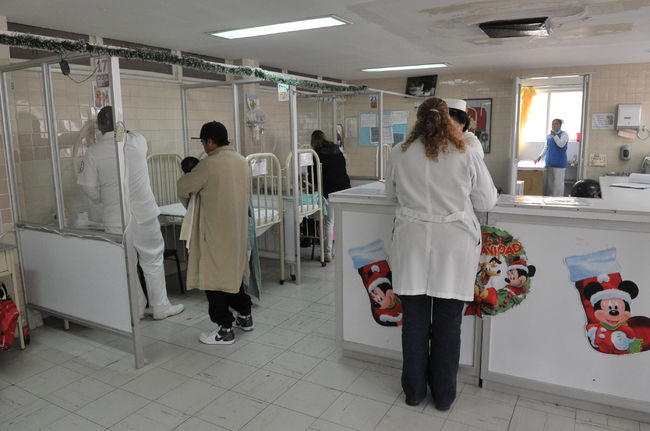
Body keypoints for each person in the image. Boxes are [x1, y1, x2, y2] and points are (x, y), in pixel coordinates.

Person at [385, 97, 497, 410]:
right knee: (448, 325)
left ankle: (414, 392)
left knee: (414, 322)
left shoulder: (400, 151)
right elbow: (486, 201)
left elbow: (390, 194)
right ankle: (444, 396)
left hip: (411, 243)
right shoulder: (465, 151)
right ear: (448, 119)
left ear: (418, 120)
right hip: (454, 246)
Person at [77, 106, 184, 320]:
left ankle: (136, 308)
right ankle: (160, 306)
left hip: (115, 217)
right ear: (121, 124)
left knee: (126, 264)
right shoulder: (138, 142)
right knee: (152, 260)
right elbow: (125, 135)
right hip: (144, 214)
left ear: (99, 126)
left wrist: (103, 199)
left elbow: (87, 186)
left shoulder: (93, 152)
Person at [177, 121, 252, 345]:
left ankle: (224, 329)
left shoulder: (208, 165)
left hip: (215, 230)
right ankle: (245, 316)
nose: (203, 146)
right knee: (233, 276)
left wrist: (193, 204)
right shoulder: (242, 162)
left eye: (203, 142)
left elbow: (183, 187)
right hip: (237, 230)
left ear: (210, 141)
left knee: (213, 279)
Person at [310, 130, 351, 262]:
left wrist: (309, 183)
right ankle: (341, 250)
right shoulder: (336, 148)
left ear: (313, 141)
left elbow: (314, 176)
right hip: (344, 187)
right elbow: (344, 166)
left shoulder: (316, 154)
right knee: (341, 221)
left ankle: (327, 253)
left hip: (331, 190)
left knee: (329, 222)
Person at [535, 118, 569, 196]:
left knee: (558, 184)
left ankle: (558, 200)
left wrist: (555, 135)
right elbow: (546, 147)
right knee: (550, 184)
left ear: (560, 125)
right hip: (550, 162)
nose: (554, 126)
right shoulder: (549, 136)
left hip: (559, 163)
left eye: (556, 124)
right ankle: (550, 199)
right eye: (553, 124)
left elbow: (561, 144)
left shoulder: (564, 134)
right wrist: (540, 157)